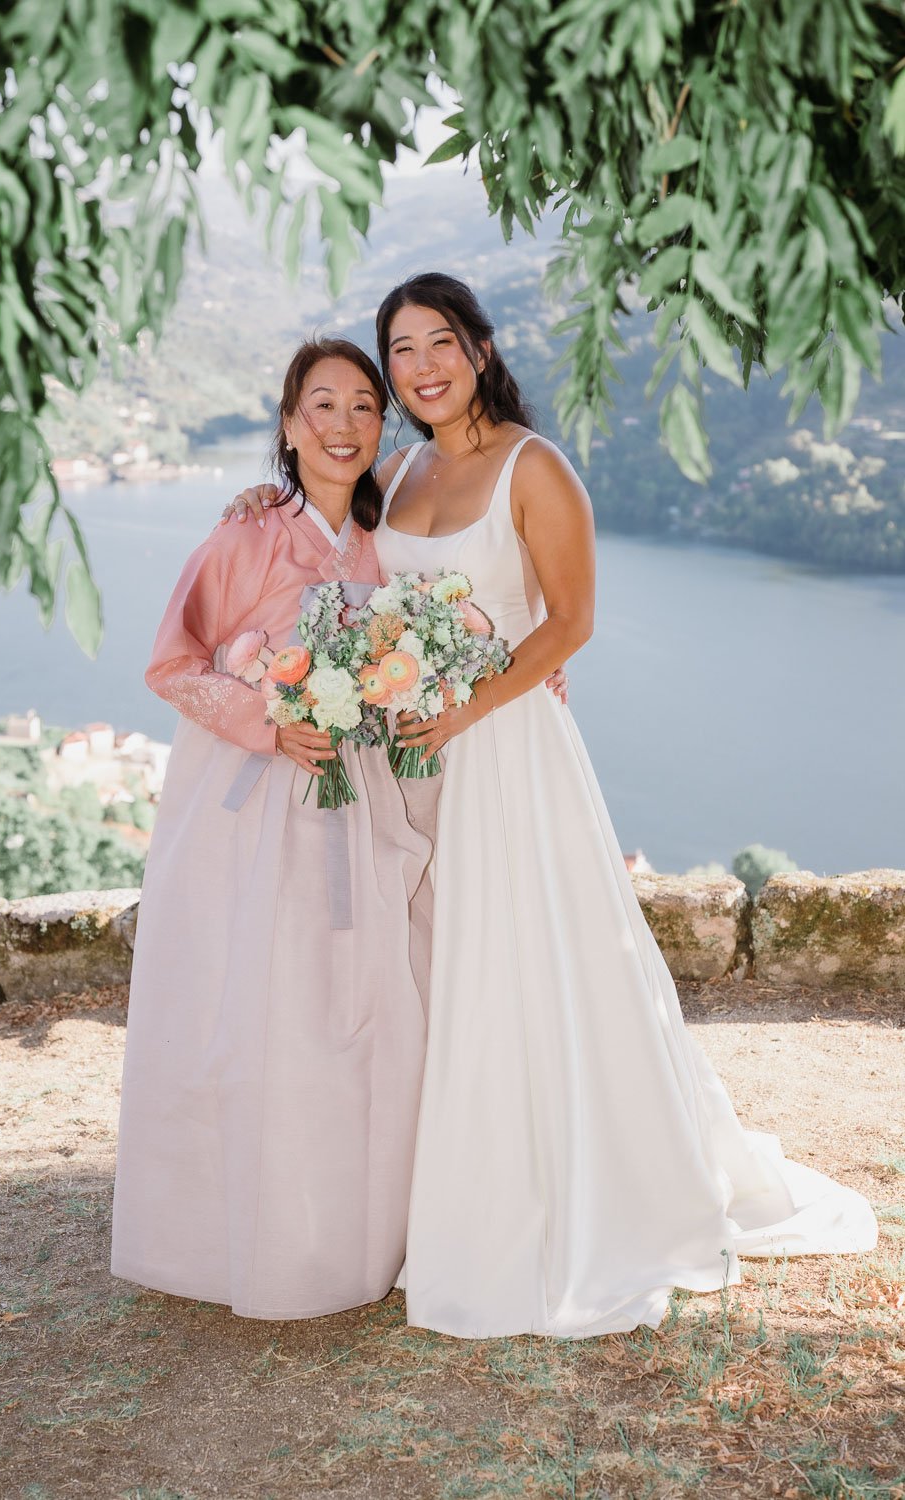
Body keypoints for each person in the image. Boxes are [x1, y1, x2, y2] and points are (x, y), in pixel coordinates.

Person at [226, 274, 878, 1340]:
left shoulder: (537, 467)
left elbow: (568, 623)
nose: (423, 364)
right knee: (437, 976)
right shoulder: (398, 467)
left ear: (480, 349)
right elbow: (340, 552)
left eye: (442, 342)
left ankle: (551, 1200)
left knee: (524, 965)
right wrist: (266, 496)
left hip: (505, 752)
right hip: (414, 758)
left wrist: (462, 708)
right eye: (401, 350)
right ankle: (427, 1196)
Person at [110, 338, 434, 1320]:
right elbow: (170, 667)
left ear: (383, 429)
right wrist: (267, 719)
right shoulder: (244, 538)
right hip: (255, 816)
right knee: (260, 1014)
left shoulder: (391, 546)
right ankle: (244, 1233)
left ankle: (361, 1230)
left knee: (367, 1011)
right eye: (321, 405)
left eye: (363, 408)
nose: (343, 425)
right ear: (289, 425)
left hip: (363, 800)